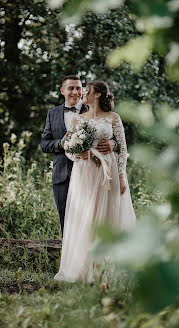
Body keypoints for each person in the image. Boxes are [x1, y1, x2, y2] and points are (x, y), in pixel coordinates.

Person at [54, 80, 136, 282]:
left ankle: (106, 267)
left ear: (97, 94)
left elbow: (123, 149)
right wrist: (78, 155)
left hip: (108, 173)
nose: (82, 93)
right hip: (84, 174)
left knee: (107, 218)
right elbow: (69, 149)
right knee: (86, 218)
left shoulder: (113, 118)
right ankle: (84, 268)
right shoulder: (78, 120)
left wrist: (121, 175)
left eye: (86, 91)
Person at [40, 76, 118, 235]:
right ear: (62, 91)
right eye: (71, 88)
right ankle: (69, 258)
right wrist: (62, 144)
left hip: (90, 174)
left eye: (79, 88)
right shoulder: (52, 114)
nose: (75, 92)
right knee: (65, 220)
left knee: (91, 220)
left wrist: (113, 144)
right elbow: (44, 144)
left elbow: (115, 135)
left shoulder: (93, 109)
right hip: (62, 175)